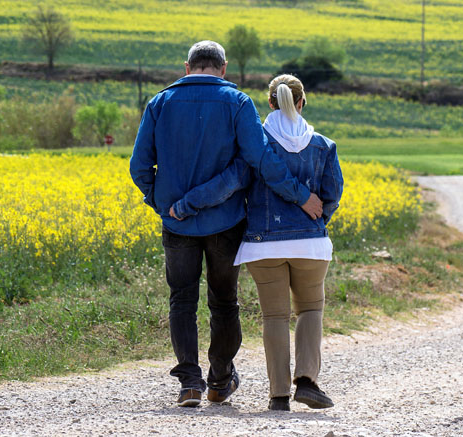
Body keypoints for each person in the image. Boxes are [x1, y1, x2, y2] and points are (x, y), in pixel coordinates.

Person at [129, 41, 323, 408]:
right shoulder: (237, 103)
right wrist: (299, 195)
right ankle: (219, 380)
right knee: (224, 302)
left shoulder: (159, 103)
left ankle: (189, 382)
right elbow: (259, 160)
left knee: (181, 301)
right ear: (224, 67)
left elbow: (139, 167)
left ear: (187, 67)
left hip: (177, 225)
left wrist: (163, 204)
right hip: (226, 222)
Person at [236, 74, 343, 411]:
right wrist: (316, 222)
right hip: (310, 246)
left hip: (262, 244)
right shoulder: (323, 145)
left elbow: (240, 185)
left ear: (269, 103)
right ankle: (307, 381)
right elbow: (333, 193)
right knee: (310, 308)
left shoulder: (256, 145)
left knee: (275, 317)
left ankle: (279, 395)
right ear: (302, 102)